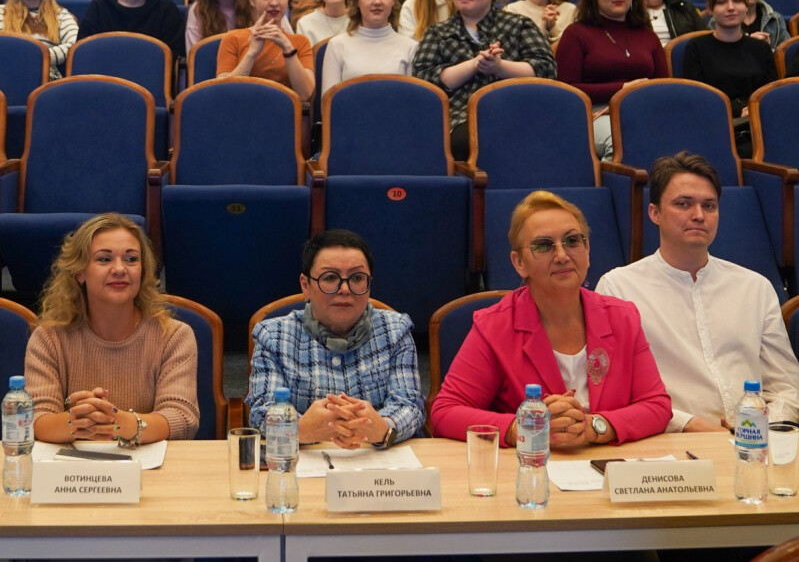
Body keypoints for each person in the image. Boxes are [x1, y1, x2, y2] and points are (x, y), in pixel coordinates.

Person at [430, 190, 671, 446]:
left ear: (587, 249)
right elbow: (445, 412)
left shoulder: (623, 317)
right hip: (531, 463)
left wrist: (594, 427)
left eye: (572, 241)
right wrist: (524, 428)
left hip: (608, 461)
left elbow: (656, 405)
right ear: (519, 263)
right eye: (543, 246)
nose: (562, 256)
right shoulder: (494, 327)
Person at [596, 152, 799, 432]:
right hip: (668, 440)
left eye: (709, 206)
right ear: (655, 213)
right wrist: (689, 425)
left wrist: (755, 425)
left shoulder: (754, 287)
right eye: (683, 204)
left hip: (754, 438)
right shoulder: (618, 288)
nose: (699, 215)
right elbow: (616, 392)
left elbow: (787, 386)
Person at [25, 213, 199, 444]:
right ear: (79, 272)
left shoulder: (174, 336)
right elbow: (34, 420)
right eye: (104, 259)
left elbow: (182, 419)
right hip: (72, 465)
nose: (119, 269)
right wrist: (80, 419)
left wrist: (118, 421)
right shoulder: (48, 337)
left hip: (151, 463)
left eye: (131, 259)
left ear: (142, 271)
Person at [246, 229, 425, 448]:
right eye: (330, 278)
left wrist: (382, 427)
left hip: (374, 458)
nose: (345, 289)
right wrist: (300, 429)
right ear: (306, 285)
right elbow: (262, 412)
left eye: (357, 278)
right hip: (304, 460)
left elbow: (410, 404)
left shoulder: (395, 330)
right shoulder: (274, 336)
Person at [413, 0, 556, 160]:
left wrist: (500, 67)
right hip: (460, 120)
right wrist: (473, 65)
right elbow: (423, 82)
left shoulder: (519, 25)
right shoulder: (438, 33)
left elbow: (547, 70)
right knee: (468, 140)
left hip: (519, 113)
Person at [556, 0, 666, 160]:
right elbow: (567, 90)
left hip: (642, 110)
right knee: (621, 142)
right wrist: (622, 88)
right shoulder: (577, 33)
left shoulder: (647, 34)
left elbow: (664, 85)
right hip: (594, 113)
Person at [683, 0, 776, 120]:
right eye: (721, 2)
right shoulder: (696, 48)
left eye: (737, 0)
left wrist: (753, 110)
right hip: (715, 122)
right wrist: (737, 111)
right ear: (711, 9)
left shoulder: (761, 48)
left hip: (757, 121)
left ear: (746, 6)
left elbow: (771, 94)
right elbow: (696, 98)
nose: (731, 7)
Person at [216, 0, 314, 100]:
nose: (274, 3)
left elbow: (305, 94)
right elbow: (224, 93)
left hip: (282, 110)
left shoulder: (300, 42)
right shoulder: (233, 38)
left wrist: (288, 49)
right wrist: (251, 53)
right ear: (251, 0)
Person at [320, 0, 417, 96]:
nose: (377, 2)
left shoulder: (411, 47)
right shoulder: (337, 45)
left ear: (393, 0)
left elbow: (411, 101)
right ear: (357, 1)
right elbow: (328, 102)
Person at [0, 0, 78, 80]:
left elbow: (74, 45)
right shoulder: (1, 12)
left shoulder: (61, 15)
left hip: (46, 79)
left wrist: (38, 57)